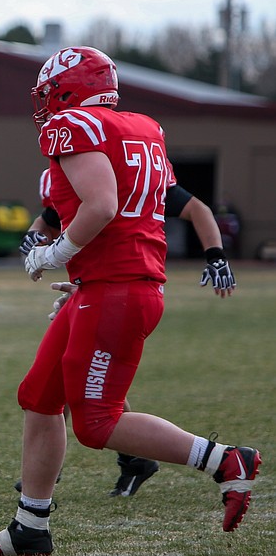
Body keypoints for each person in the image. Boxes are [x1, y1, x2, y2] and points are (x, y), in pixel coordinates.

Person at [0, 46, 260, 556]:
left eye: (50, 92)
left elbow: (102, 204)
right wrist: (84, 274)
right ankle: (30, 526)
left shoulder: (73, 127)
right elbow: (132, 210)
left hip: (117, 290)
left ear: (70, 89)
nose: (45, 104)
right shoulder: (142, 127)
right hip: (112, 283)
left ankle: (224, 461)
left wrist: (56, 253)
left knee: (98, 422)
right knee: (39, 398)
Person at [14, 167, 238, 497]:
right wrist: (32, 240)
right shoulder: (63, 170)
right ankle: (40, 502)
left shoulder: (126, 167)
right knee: (50, 387)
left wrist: (215, 255)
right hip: (95, 284)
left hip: (123, 284)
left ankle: (219, 460)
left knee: (92, 412)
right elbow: (49, 218)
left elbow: (195, 209)